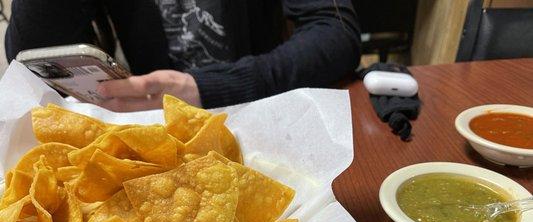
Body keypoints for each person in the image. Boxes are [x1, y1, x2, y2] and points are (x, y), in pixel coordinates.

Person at [5, 0, 361, 111]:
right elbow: (31, 58)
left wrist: (208, 88)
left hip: (266, 110)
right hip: (155, 130)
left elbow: (336, 31)